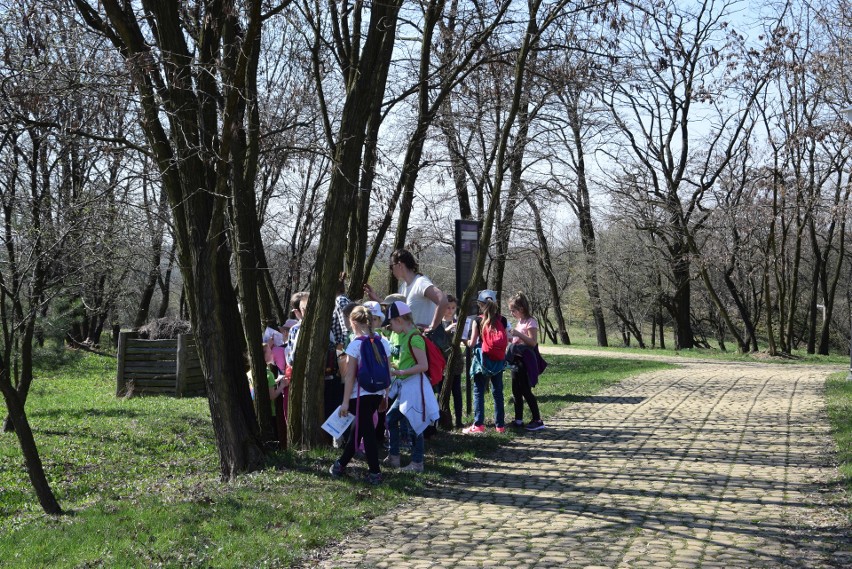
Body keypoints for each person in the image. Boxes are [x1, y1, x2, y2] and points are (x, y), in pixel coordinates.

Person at [329, 306, 390, 485]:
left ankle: (375, 473)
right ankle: (340, 464)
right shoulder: (382, 341)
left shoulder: (355, 344)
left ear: (353, 322)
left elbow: (349, 376)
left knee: (367, 433)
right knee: (359, 430)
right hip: (377, 393)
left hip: (360, 394)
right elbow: (387, 370)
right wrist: (385, 396)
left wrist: (345, 402)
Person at [384, 301, 440, 473]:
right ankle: (394, 457)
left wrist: (400, 372)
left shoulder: (415, 338)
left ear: (400, 320)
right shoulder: (397, 335)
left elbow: (422, 365)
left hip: (414, 387)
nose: (390, 327)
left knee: (414, 424)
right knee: (391, 419)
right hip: (404, 386)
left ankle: (417, 463)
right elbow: (398, 357)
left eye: (392, 323)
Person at [365, 249, 448, 349]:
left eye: (391, 266)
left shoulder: (420, 282)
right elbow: (397, 313)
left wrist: (432, 327)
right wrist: (377, 299)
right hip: (415, 343)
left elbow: (442, 300)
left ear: (400, 264)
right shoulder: (403, 287)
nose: (391, 270)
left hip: (427, 343)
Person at [463, 290, 507, 434]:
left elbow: (472, 343)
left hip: (482, 362)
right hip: (498, 361)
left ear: (480, 305)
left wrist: (465, 340)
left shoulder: (477, 320)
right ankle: (500, 426)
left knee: (478, 392)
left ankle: (479, 424)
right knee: (497, 392)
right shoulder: (503, 320)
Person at [506, 292, 547, 431]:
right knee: (516, 391)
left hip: (525, 361)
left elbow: (532, 342)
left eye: (513, 310)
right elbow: (518, 340)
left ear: (521, 309)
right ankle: (518, 420)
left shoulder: (531, 322)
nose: (511, 313)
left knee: (525, 390)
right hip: (516, 360)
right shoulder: (520, 322)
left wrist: (518, 334)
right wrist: (510, 339)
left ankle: (537, 419)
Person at [441, 295, 465, 429]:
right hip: (442, 360)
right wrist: (448, 329)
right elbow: (437, 337)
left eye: (453, 308)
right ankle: (444, 419)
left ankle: (459, 420)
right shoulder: (439, 322)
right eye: (448, 307)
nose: (450, 310)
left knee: (457, 391)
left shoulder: (458, 322)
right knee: (443, 391)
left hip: (455, 360)